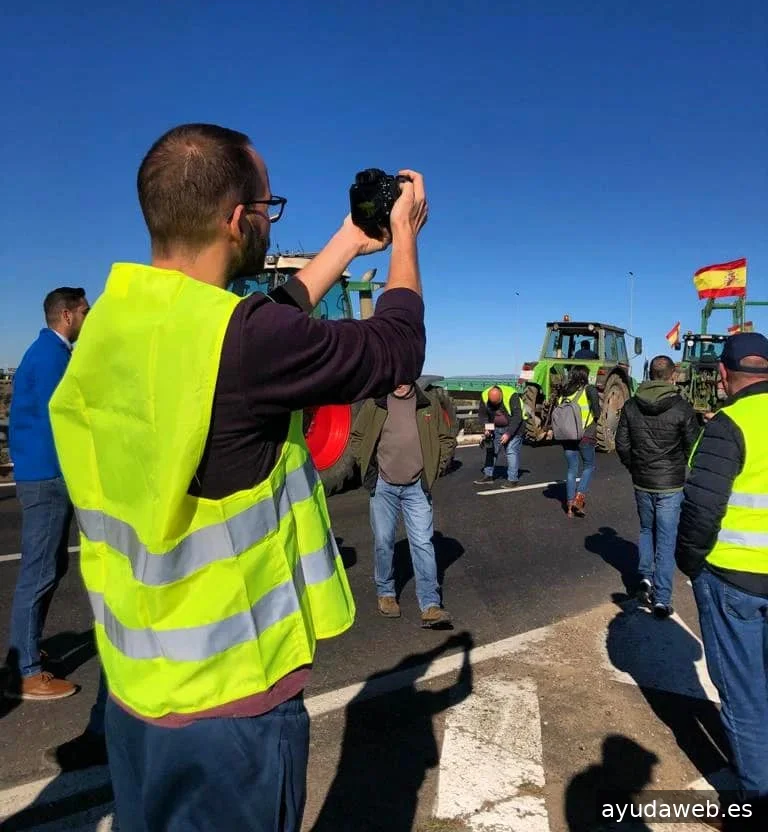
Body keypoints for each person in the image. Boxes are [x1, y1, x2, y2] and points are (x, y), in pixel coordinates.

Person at [48, 123, 428, 832]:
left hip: (139, 692)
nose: (267, 216)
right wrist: (404, 236)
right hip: (229, 707)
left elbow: (257, 321)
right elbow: (398, 347)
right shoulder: (245, 343)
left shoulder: (110, 326)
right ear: (236, 219)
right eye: (268, 206)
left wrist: (348, 242)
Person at [676, 332, 768, 818]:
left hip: (735, 582)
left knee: (745, 697)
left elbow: (702, 507)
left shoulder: (729, 424)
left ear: (725, 376)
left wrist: (689, 562)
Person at [5, 287, 90, 700]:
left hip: (38, 472)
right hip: (47, 477)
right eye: (85, 311)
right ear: (68, 315)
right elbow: (69, 421)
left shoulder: (42, 353)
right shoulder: (54, 356)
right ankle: (25, 671)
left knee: (48, 568)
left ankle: (27, 657)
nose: (88, 318)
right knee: (39, 572)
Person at [350, 380, 456, 627]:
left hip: (417, 486)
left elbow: (447, 439)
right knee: (384, 541)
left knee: (422, 543)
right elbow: (357, 437)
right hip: (383, 485)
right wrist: (368, 469)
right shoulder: (375, 403)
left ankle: (430, 605)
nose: (399, 382)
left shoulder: (428, 404)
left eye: (404, 375)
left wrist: (434, 471)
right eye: (394, 376)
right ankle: (386, 593)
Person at [615, 355, 699, 619]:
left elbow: (622, 443)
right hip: (671, 484)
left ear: (650, 373)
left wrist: (635, 467)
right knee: (666, 539)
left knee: (645, 530)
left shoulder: (631, 405)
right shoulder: (682, 408)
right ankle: (662, 599)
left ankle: (646, 577)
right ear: (672, 375)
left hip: (642, 481)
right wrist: (680, 466)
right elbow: (693, 446)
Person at [551, 366, 600, 517]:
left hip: (567, 435)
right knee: (589, 466)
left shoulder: (564, 393)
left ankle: (570, 504)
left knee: (572, 469)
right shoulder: (589, 390)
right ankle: (580, 497)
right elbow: (597, 412)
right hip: (585, 434)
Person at [474, 384, 525, 487]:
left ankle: (512, 480)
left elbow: (517, 417)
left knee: (511, 451)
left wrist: (508, 434)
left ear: (501, 396)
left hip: (514, 427)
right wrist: (488, 428)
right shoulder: (485, 395)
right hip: (495, 427)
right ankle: (488, 475)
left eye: (497, 403)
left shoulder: (511, 395)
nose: (495, 406)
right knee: (491, 450)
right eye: (492, 404)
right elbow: (483, 415)